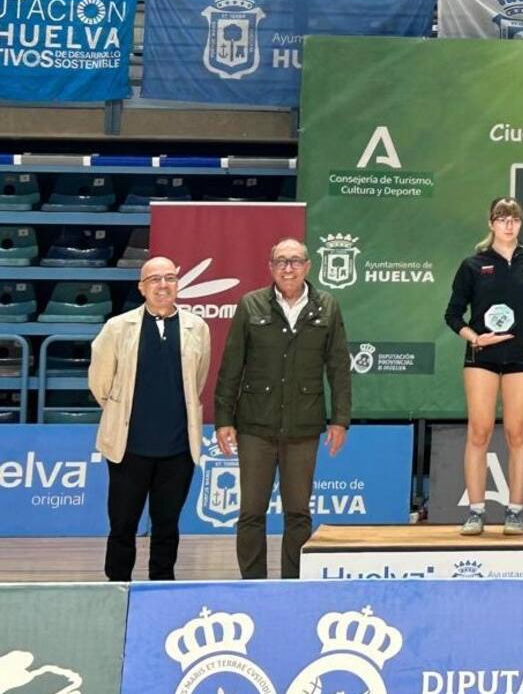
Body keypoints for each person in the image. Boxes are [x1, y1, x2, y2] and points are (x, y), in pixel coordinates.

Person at [214, 237, 352, 579]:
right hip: (255, 425)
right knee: (251, 512)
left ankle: (293, 583)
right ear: (271, 268)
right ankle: (253, 584)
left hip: (303, 426)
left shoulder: (328, 306)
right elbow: (231, 366)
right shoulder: (251, 304)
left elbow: (338, 367)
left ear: (307, 266)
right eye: (281, 261)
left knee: (298, 512)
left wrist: (340, 420)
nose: (288, 268)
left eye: (295, 261)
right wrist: (222, 419)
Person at [89, 256, 211, 581]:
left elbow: (196, 381)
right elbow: (100, 384)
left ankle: (161, 588)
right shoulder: (117, 328)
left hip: (177, 450)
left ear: (177, 284)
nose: (162, 285)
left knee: (167, 526)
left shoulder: (197, 327)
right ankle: (116, 587)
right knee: (123, 525)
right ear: (142, 287)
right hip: (129, 448)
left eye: (169, 278)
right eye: (154, 279)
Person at [444, 197, 523, 536]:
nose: (508, 223)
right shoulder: (473, 265)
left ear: (521, 223)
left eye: (514, 217)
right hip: (481, 358)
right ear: (491, 223)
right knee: (479, 430)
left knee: (517, 431)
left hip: (522, 355)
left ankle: (515, 511)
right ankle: (476, 510)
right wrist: (475, 338)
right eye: (502, 217)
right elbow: (453, 314)